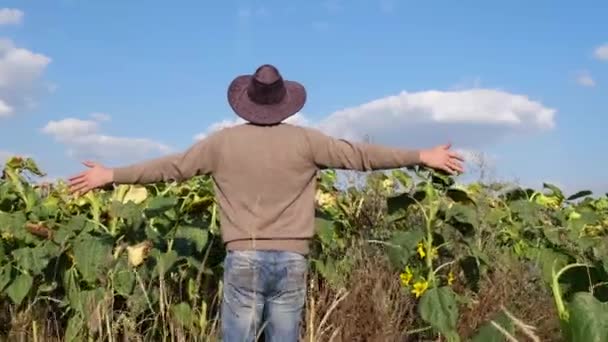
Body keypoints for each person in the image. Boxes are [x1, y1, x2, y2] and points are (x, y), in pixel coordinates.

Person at [68, 64, 465, 342]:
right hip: (292, 260)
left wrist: (110, 174)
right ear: (284, 102)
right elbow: (360, 156)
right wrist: (420, 154)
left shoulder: (222, 143)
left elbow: (171, 167)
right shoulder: (306, 141)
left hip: (244, 256)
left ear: (247, 101)